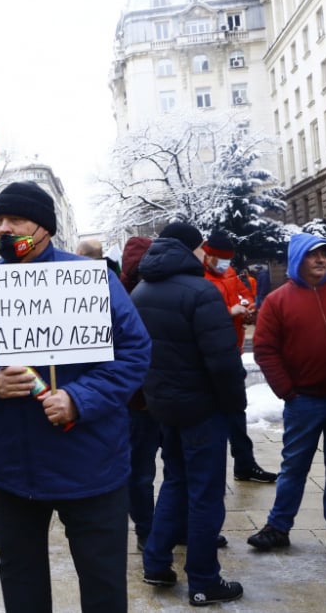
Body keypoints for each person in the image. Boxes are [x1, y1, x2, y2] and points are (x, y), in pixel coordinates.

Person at [0, 181, 151, 613]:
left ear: (45, 228)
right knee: (22, 583)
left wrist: (79, 399)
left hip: (92, 466)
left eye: (16, 219)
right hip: (14, 469)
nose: (3, 229)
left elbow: (134, 352)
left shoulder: (93, 281)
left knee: (104, 583)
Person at [131, 222, 246, 606]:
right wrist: (235, 405)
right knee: (205, 494)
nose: (204, 253)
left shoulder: (141, 290)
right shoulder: (201, 292)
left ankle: (156, 561)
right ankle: (203, 580)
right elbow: (224, 362)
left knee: (176, 481)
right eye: (201, 247)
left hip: (164, 406)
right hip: (202, 409)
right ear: (191, 248)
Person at [247, 233, 326, 563]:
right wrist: (288, 391)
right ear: (298, 258)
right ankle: (278, 527)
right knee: (294, 467)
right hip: (305, 400)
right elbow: (265, 350)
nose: (321, 260)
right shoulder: (278, 300)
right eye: (313, 255)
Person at [202, 229, 277, 485]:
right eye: (220, 258)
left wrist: (246, 310)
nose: (224, 264)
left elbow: (241, 296)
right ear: (208, 255)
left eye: (227, 259)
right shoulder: (198, 277)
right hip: (210, 356)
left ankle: (244, 463)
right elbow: (201, 315)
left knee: (236, 409)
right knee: (214, 414)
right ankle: (213, 470)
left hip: (232, 350)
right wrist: (228, 311)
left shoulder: (230, 273)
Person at [117, 235, 159, 550]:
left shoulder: (121, 293)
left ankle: (153, 527)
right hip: (139, 400)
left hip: (145, 398)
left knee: (143, 470)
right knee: (142, 471)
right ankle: (147, 529)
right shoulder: (125, 297)